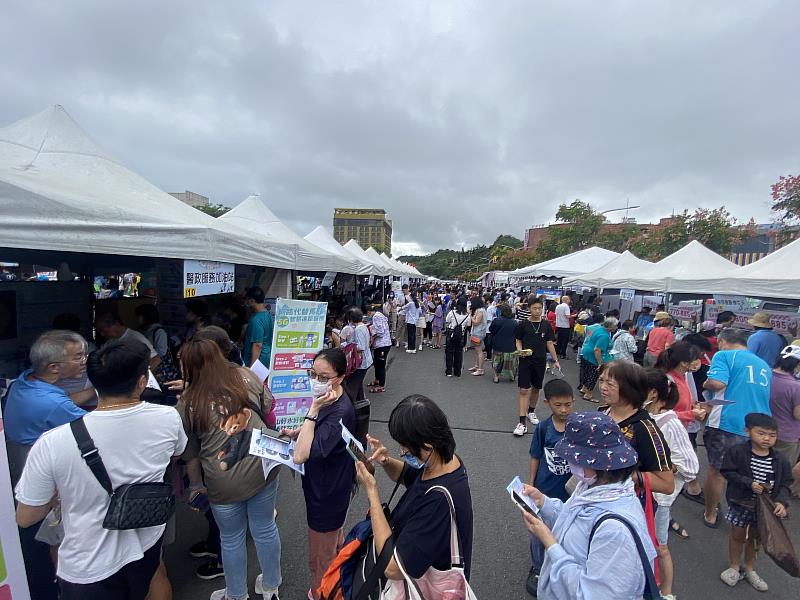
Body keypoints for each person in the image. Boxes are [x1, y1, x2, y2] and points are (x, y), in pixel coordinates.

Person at [15, 339, 187, 600]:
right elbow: (177, 453)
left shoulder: (52, 442)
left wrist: (60, 492)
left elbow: (26, 517)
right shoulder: (167, 417)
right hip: (147, 536)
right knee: (156, 580)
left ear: (93, 384)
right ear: (142, 382)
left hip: (87, 563)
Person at [178, 338, 281, 600]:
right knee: (265, 527)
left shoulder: (189, 401)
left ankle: (236, 594)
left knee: (232, 537)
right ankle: (271, 586)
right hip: (263, 465)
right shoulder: (246, 375)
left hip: (222, 479)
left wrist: (195, 485)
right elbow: (268, 406)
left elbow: (189, 453)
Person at [520, 412, 657, 600]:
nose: (570, 463)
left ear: (595, 462)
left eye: (574, 458)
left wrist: (550, 543)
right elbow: (575, 520)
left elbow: (591, 595)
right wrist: (544, 503)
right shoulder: (594, 487)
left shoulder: (615, 531)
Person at [5, 330, 89, 600]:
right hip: (45, 486)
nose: (85, 360)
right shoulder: (50, 403)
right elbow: (96, 428)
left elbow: (64, 403)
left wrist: (96, 389)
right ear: (54, 367)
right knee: (54, 540)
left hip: (19, 472)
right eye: (78, 357)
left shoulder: (23, 383)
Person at [355, 395, 474, 582]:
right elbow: (409, 475)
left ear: (427, 447)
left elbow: (393, 568)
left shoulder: (439, 501)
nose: (402, 452)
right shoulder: (443, 461)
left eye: (405, 447)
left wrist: (372, 494)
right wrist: (385, 461)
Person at [281, 349, 355, 600]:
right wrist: (298, 431)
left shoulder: (337, 410)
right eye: (312, 374)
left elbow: (301, 456)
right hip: (333, 488)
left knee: (319, 559)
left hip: (326, 494)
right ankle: (337, 582)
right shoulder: (332, 398)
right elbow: (317, 426)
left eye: (323, 377)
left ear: (341, 377)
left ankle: (322, 593)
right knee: (333, 543)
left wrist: (312, 408)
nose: (316, 381)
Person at [702, 328, 772, 529]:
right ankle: (743, 512)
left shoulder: (724, 355)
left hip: (728, 421)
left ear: (722, 341)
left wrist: (706, 382)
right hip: (758, 425)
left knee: (717, 471)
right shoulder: (763, 365)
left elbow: (717, 382)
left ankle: (710, 513)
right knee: (746, 471)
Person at [719, 413, 792, 592]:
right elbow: (727, 471)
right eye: (761, 433)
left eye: (772, 435)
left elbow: (785, 484)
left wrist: (781, 502)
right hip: (740, 502)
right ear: (747, 431)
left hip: (765, 508)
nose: (767, 438)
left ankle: (750, 568)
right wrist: (748, 483)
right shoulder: (737, 452)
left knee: (756, 539)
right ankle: (734, 566)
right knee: (737, 535)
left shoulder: (780, 460)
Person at [644, 369, 699, 600]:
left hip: (659, 499)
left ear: (653, 394)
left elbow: (691, 466)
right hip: (642, 494)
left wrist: (662, 468)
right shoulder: (644, 415)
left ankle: (666, 593)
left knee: (660, 546)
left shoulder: (670, 422)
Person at [525, 379, 574, 596]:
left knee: (566, 530)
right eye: (558, 405)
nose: (564, 409)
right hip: (544, 489)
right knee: (538, 532)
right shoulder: (543, 428)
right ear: (547, 403)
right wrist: (531, 483)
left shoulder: (577, 428)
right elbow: (535, 455)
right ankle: (537, 566)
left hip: (570, 493)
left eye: (568, 404)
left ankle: (561, 562)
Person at [514, 297, 560, 436]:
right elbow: (518, 340)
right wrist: (520, 351)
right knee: (523, 390)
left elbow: (549, 343)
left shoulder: (546, 325)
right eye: (535, 308)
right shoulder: (523, 324)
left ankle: (531, 411)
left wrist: (555, 360)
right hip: (526, 360)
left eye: (540, 308)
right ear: (529, 309)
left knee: (536, 388)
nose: (537, 310)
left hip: (540, 361)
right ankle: (521, 422)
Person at [769, 344, 800, 498]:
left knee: (762, 467)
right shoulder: (795, 386)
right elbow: (798, 414)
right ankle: (773, 503)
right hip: (786, 435)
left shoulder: (766, 375)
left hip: (763, 429)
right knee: (781, 472)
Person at [340, 307, 373, 443]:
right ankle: (361, 410)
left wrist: (347, 344)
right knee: (358, 386)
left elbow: (361, 346)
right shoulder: (363, 326)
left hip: (360, 363)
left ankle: (348, 413)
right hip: (365, 361)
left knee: (352, 388)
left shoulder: (358, 329)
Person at [95, 312, 161, 369]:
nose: (102, 334)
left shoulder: (135, 338)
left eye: (102, 330)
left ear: (114, 325)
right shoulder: (110, 342)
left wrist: (140, 377)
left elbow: (156, 359)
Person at [578, 316, 616, 403]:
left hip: (586, 352)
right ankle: (588, 394)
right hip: (593, 356)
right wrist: (600, 363)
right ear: (610, 326)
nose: (616, 327)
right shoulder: (604, 336)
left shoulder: (598, 329)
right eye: (615, 325)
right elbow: (597, 349)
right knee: (593, 376)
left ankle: (584, 389)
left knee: (586, 372)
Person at [243, 287, 274, 367]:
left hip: (259, 361)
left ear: (252, 300)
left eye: (246, 299)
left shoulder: (256, 320)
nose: (245, 302)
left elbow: (257, 345)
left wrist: (252, 367)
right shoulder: (267, 314)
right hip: (266, 358)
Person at [489, 303, 518, 384]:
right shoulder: (514, 322)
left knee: (496, 362)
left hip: (498, 344)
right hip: (510, 345)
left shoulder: (496, 320)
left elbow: (491, 330)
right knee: (511, 362)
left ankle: (496, 377)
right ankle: (512, 376)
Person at [366, 304, 391, 393]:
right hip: (382, 344)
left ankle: (381, 385)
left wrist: (372, 336)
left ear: (369, 312)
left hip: (382, 345)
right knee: (376, 363)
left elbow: (380, 332)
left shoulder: (376, 317)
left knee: (380, 364)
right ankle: (377, 380)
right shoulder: (380, 315)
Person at [444, 298, 471, 377]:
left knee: (449, 352)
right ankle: (457, 371)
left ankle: (449, 371)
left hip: (451, 334)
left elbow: (447, 320)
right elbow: (468, 325)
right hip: (461, 335)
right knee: (459, 353)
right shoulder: (467, 315)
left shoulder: (452, 312)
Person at [468, 297, 488, 376]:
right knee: (477, 351)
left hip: (478, 332)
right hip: (479, 332)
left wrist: (470, 316)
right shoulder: (482, 310)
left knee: (479, 351)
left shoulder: (480, 311)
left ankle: (480, 369)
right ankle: (477, 366)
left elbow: (476, 322)